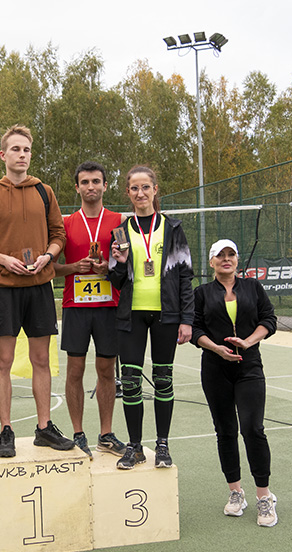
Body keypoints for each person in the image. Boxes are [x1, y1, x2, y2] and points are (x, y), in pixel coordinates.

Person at [0, 124, 73, 457]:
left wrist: (48, 257)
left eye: (26, 149)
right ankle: (6, 430)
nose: (22, 155)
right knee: (4, 361)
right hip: (4, 289)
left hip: (40, 288)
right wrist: (3, 259)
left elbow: (59, 235)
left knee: (41, 359)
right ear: (3, 154)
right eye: (15, 149)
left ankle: (44, 428)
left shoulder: (45, 192)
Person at [108, 165, 194, 470]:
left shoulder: (173, 228)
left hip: (166, 315)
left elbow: (185, 276)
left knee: (163, 380)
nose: (140, 193)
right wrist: (120, 263)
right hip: (131, 315)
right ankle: (134, 446)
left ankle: (162, 445)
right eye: (134, 188)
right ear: (128, 192)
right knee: (130, 382)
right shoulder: (120, 232)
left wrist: (187, 319)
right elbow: (115, 280)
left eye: (146, 187)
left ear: (155, 190)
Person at [192, 239, 279, 527]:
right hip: (215, 369)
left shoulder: (253, 288)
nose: (226, 259)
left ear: (237, 260)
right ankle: (235, 492)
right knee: (225, 431)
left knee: (253, 429)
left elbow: (269, 319)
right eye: (220, 255)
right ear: (212, 262)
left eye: (231, 254)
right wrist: (217, 349)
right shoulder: (202, 293)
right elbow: (195, 329)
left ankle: (264, 496)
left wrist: (248, 342)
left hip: (249, 367)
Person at [54, 161, 126, 459]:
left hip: (110, 307)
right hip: (76, 307)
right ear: (77, 187)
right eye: (85, 182)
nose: (91, 187)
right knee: (75, 370)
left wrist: (109, 268)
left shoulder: (119, 222)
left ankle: (106, 434)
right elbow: (51, 267)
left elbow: (126, 264)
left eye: (96, 181)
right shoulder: (64, 224)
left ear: (105, 186)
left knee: (106, 370)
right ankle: (78, 433)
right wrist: (75, 267)